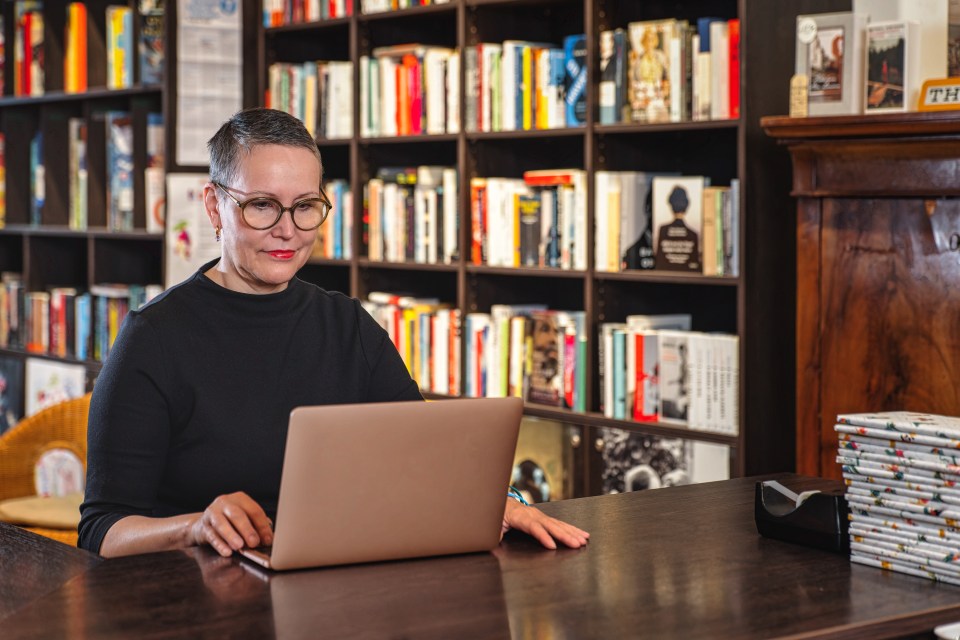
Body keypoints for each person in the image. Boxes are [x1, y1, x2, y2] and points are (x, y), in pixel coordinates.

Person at [79, 108, 589, 558]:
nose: (287, 229)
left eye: (305, 205)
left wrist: (500, 503)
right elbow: (101, 531)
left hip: (330, 591)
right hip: (195, 602)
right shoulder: (154, 338)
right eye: (262, 205)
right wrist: (194, 527)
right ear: (214, 206)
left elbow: (425, 459)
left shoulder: (348, 325)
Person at [655, 185, 700, 271]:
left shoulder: (663, 230)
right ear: (687, 205)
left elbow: (660, 264)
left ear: (671, 204)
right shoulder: (693, 234)